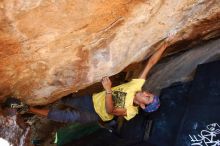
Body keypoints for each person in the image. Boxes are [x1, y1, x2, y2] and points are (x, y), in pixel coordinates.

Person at [12, 37, 173, 124]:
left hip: (95, 115)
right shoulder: (137, 85)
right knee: (67, 100)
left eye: (147, 97)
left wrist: (109, 89)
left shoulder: (130, 112)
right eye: (148, 93)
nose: (145, 92)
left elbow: (111, 111)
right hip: (92, 99)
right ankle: (42, 110)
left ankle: (27, 109)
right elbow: (151, 63)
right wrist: (165, 45)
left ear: (143, 105)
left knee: (68, 116)